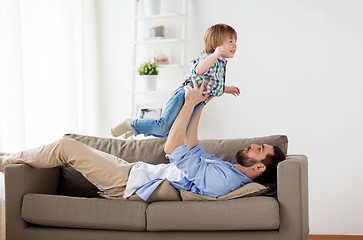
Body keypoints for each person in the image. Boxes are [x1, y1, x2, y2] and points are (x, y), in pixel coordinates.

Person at [0, 79, 285, 201]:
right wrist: (200, 104)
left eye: (258, 149)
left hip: (128, 184)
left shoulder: (225, 182)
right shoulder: (229, 169)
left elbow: (172, 148)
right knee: (72, 147)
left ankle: (8, 161)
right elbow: (192, 145)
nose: (251, 146)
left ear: (260, 168)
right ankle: (11, 155)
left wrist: (187, 104)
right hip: (133, 170)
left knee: (66, 146)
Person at [111, 23, 241, 139]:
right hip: (184, 95)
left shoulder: (220, 63)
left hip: (194, 101)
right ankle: (131, 124)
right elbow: (198, 70)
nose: (235, 45)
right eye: (230, 41)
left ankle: (136, 129)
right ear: (215, 45)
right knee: (163, 125)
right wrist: (214, 55)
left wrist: (227, 89)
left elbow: (213, 84)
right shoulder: (209, 59)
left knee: (172, 132)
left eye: (235, 41)